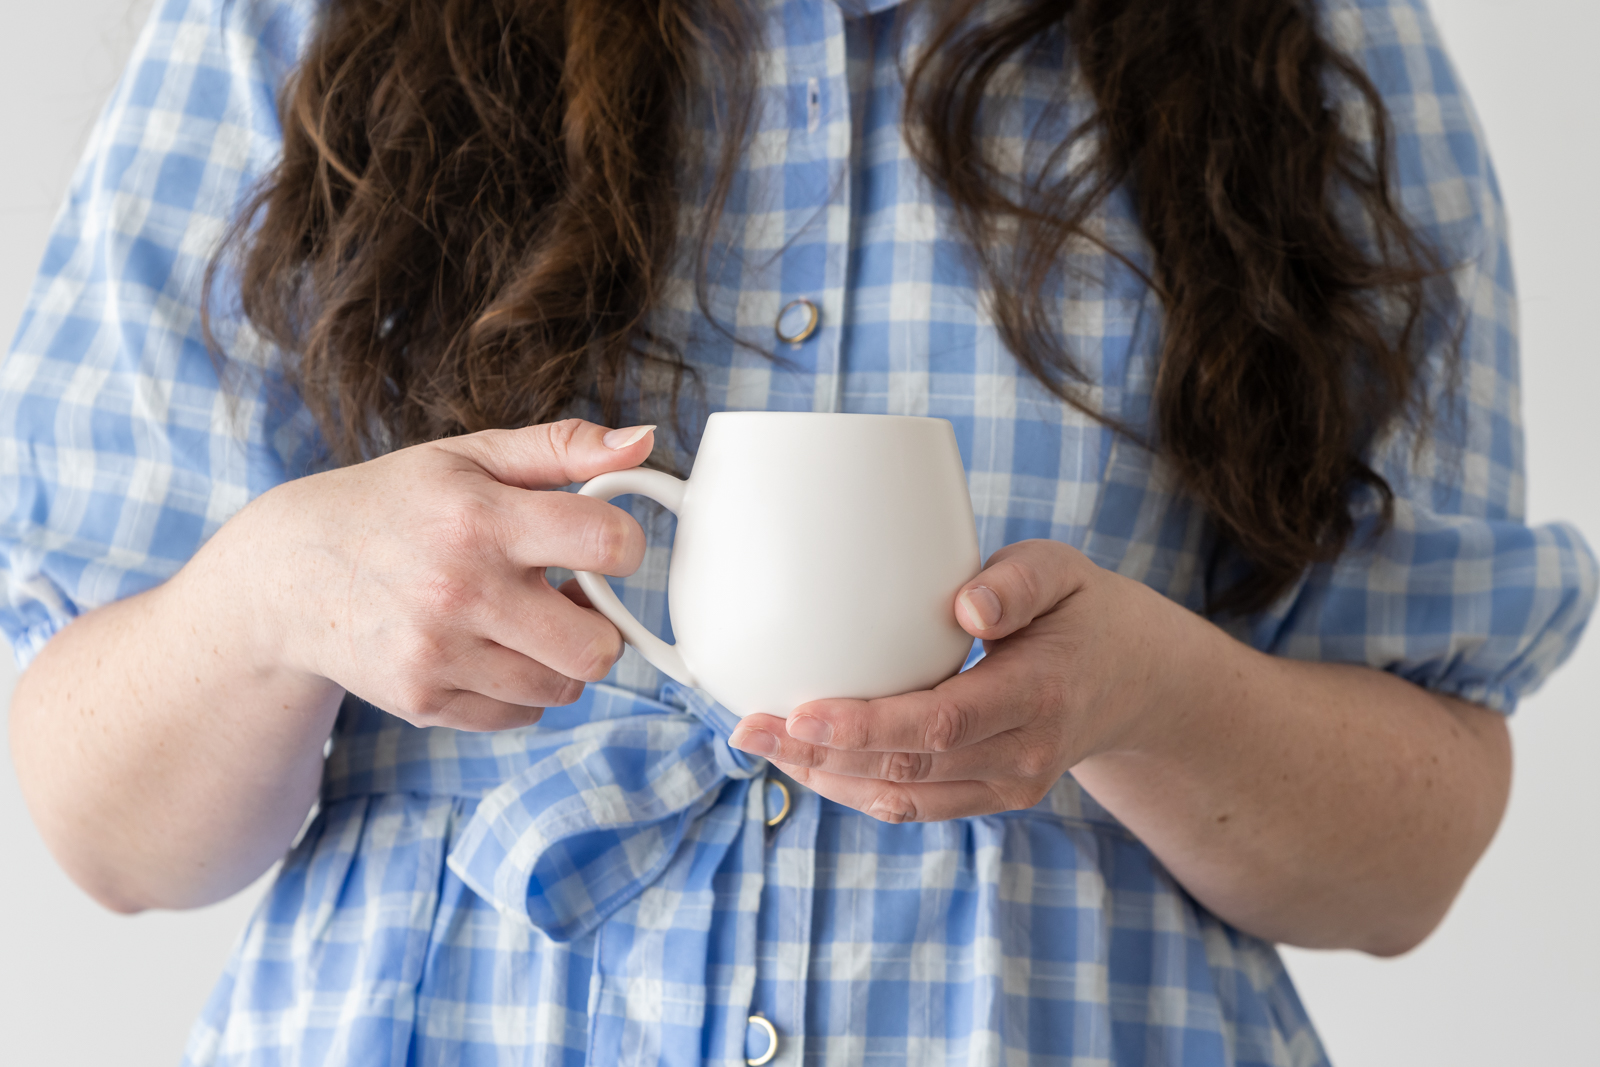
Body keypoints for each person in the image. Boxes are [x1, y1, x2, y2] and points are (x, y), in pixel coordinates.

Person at [4, 0, 1594, 1063]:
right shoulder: (294, 25)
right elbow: (110, 835)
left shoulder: (1293, 41)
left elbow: (1406, 863)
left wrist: (1141, 698)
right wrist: (275, 595)